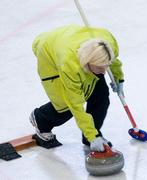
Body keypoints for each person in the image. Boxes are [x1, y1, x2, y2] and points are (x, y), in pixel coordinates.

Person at [30, 24, 124, 152]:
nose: (104, 72)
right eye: (100, 67)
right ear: (88, 62)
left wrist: (119, 79)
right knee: (65, 105)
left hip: (72, 39)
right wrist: (92, 137)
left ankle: (91, 134)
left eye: (106, 66)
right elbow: (75, 104)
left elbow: (113, 61)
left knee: (101, 95)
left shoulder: (108, 43)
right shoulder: (69, 64)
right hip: (49, 52)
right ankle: (41, 118)